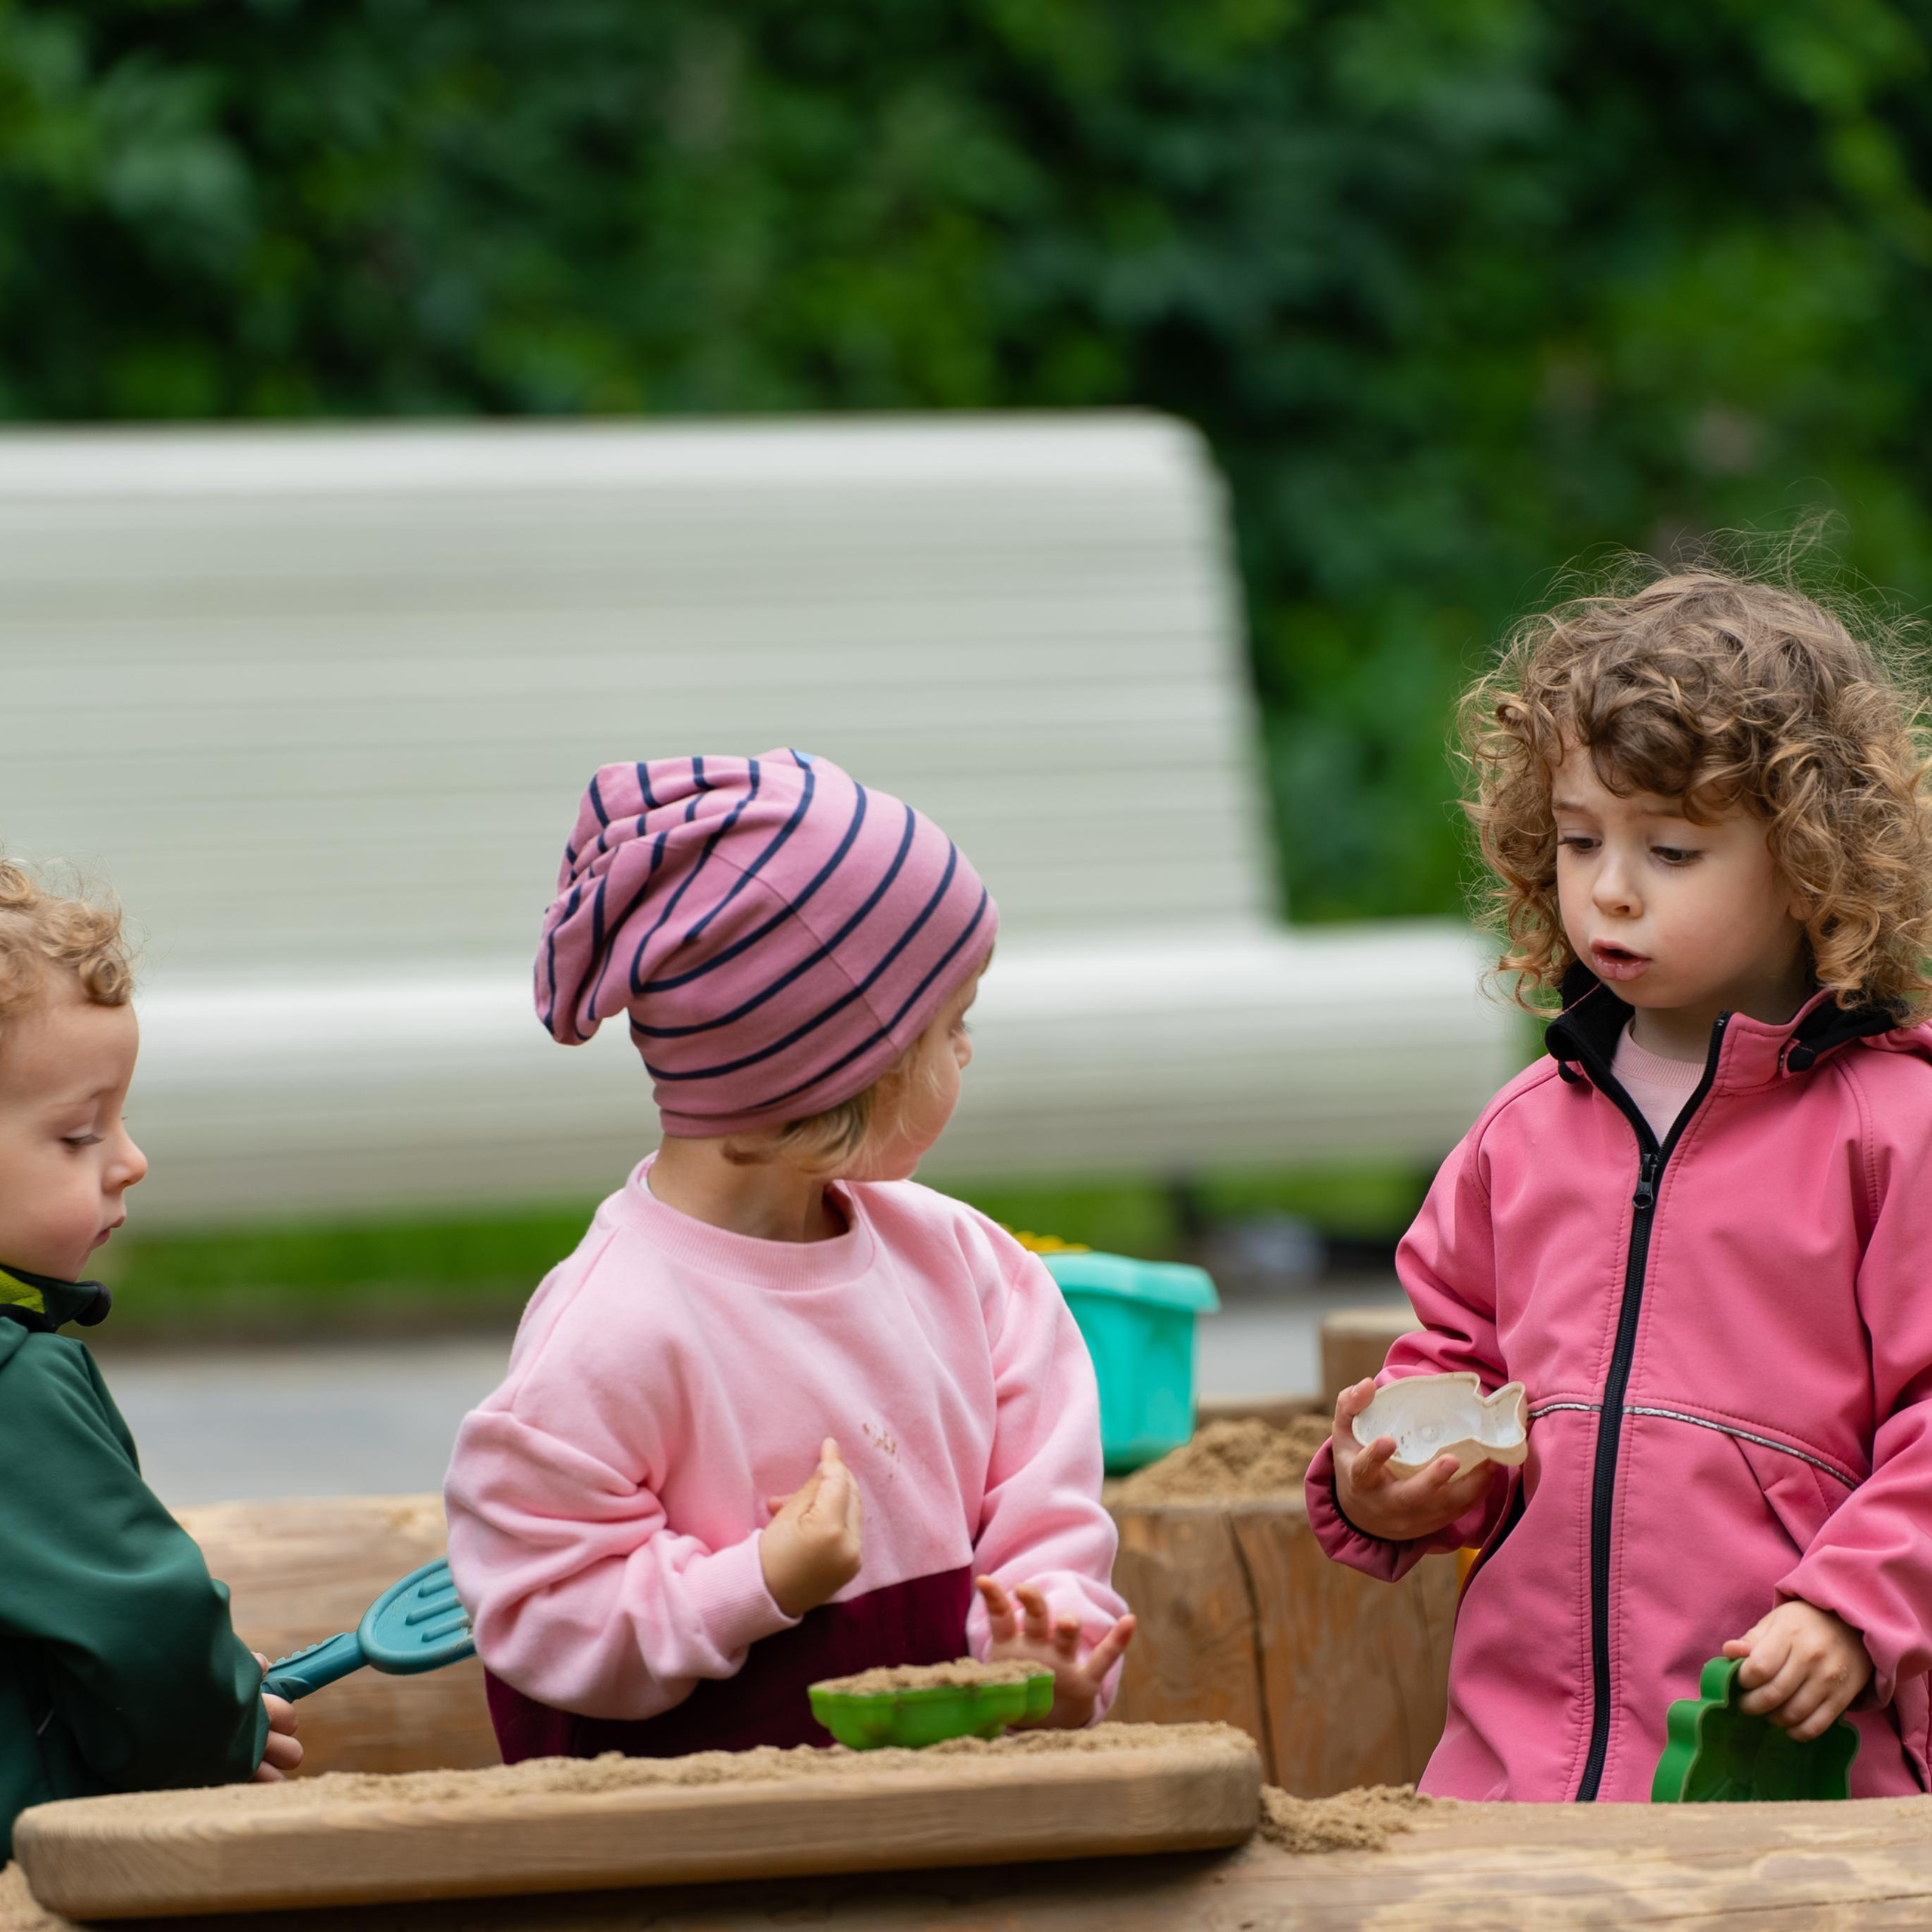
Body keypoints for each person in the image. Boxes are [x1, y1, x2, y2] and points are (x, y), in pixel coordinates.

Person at [1306, 562, 1932, 1801]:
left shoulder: (1893, 1130)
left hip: (1792, 1775)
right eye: (1581, 838)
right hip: (1513, 1779)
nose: (1610, 888)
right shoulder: (1525, 1128)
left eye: (1674, 848)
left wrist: (1855, 1609)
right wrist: (1392, 1483)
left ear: (1813, 859)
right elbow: (1454, 1357)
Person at [445, 752, 1134, 1761]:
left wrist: (1047, 1644)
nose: (969, 1052)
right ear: (837, 1074)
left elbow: (1047, 1516)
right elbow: (541, 1610)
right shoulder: (614, 1327)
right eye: (952, 1027)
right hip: (705, 1867)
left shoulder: (972, 1275)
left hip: (960, 1834)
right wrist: (758, 1581)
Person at [0, 861, 300, 1860]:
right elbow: (147, 1631)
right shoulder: (16, 1388)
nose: (129, 1159)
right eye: (78, 1133)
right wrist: (225, 1728)